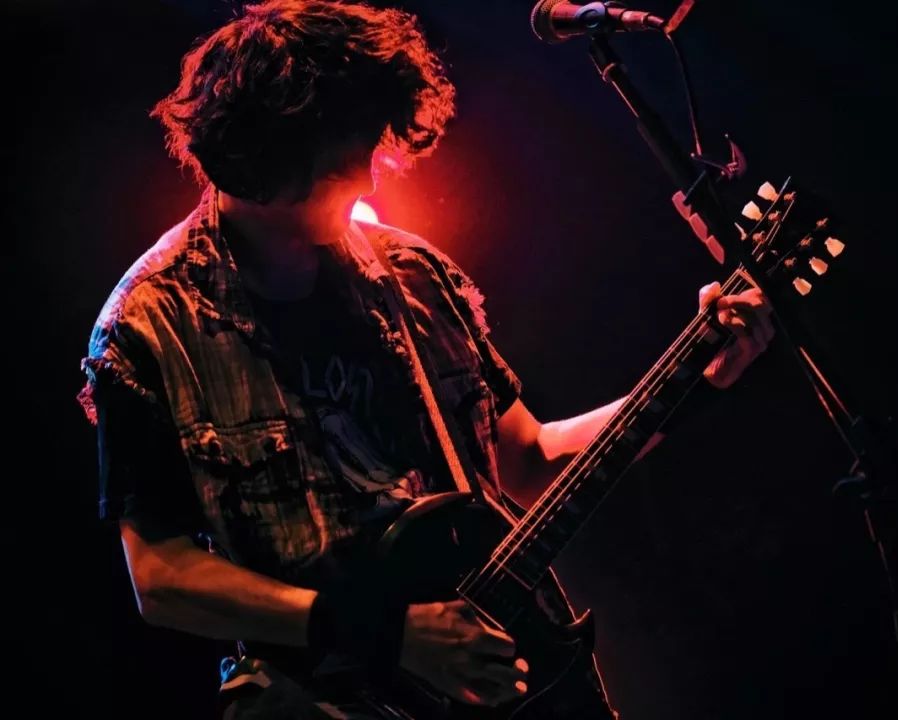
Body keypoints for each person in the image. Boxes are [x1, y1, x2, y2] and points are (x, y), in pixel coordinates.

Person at [78, 2, 775, 718]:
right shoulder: (150, 323)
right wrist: (387, 634)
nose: (367, 180)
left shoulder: (415, 276)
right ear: (264, 156)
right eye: (344, 157)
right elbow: (161, 575)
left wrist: (695, 381)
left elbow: (528, 460)